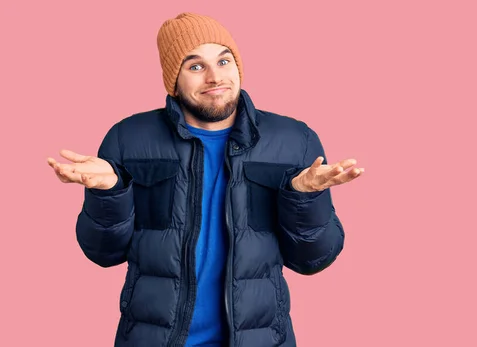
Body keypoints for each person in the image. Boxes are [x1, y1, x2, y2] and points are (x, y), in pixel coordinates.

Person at [47, 12, 363, 347]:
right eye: (195, 66)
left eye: (224, 61)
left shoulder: (294, 140)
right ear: (174, 79)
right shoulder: (129, 138)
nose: (215, 77)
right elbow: (104, 252)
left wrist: (303, 197)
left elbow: (313, 259)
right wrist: (109, 193)